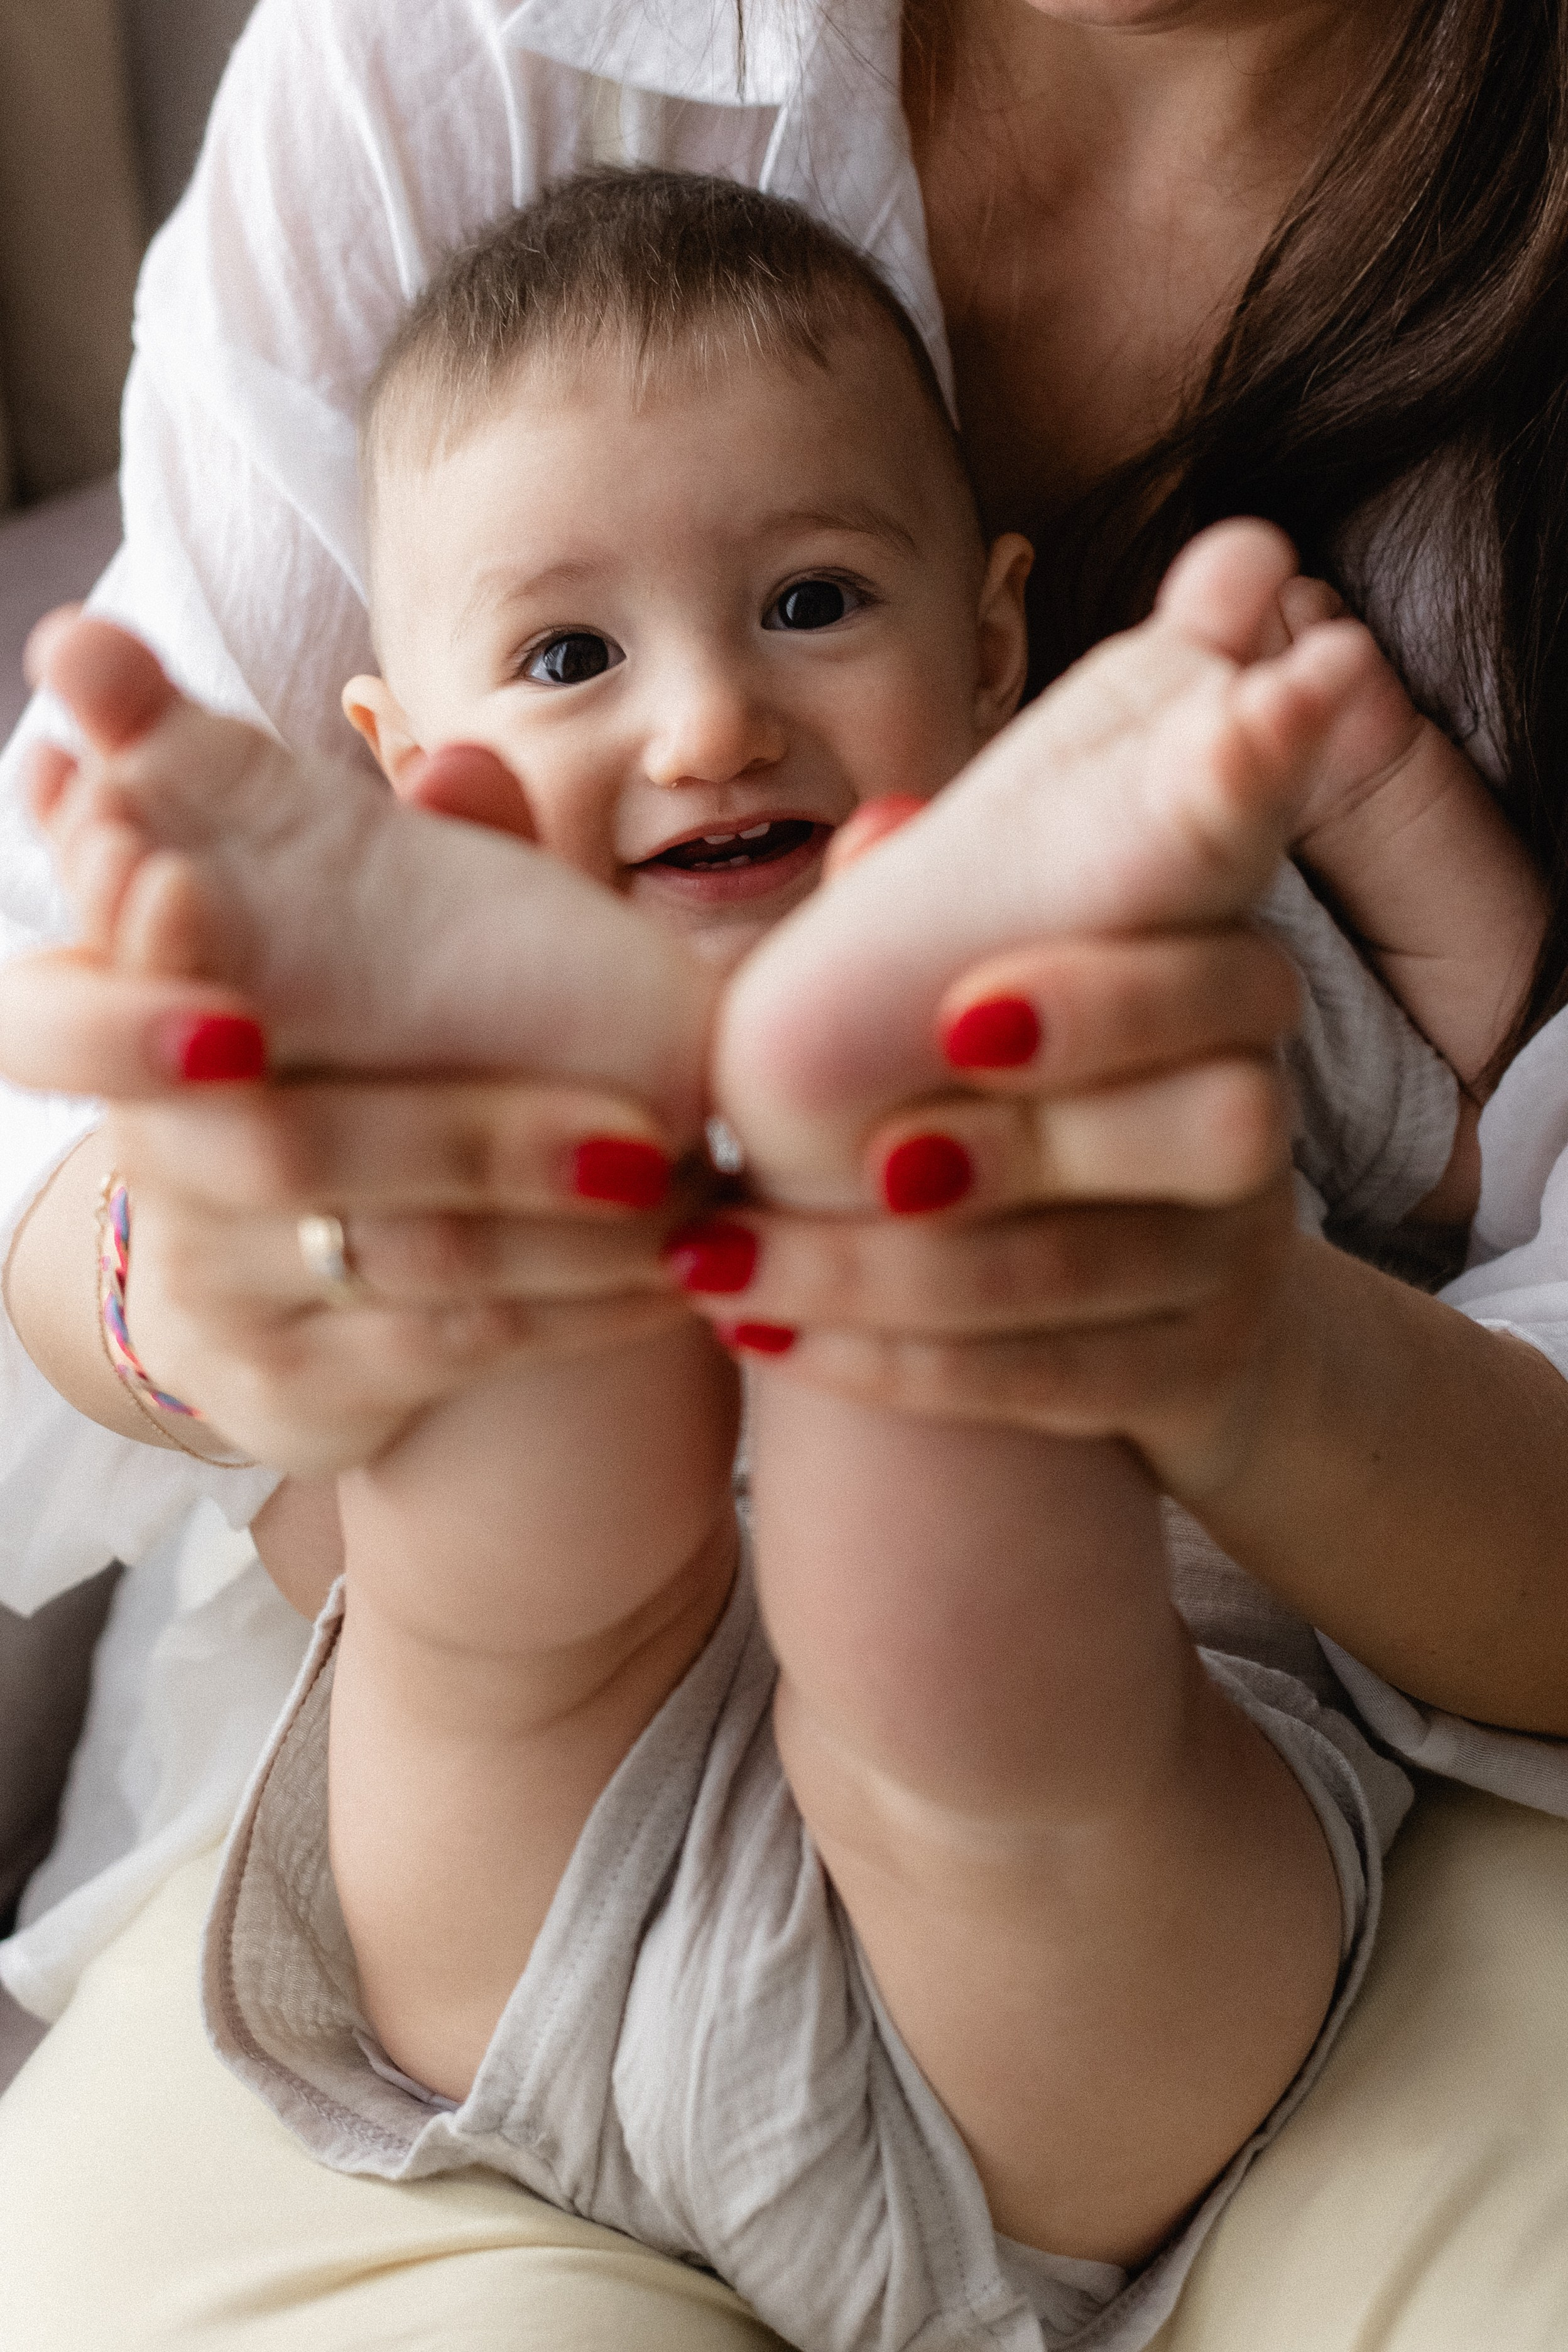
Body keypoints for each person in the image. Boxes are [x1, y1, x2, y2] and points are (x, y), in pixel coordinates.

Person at [1, 0, 1567, 2343]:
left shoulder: (1159, 949)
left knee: (965, 1639)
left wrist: (1330, 790)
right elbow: (60, 1170)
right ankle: (621, 1158)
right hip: (558, 1895)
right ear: (395, 744)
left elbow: (1479, 1124)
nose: (711, 717)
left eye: (815, 604)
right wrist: (223, 1249)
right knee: (511, 1508)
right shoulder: (457, 55)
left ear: (1003, 636)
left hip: (1014, 1926)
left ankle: (869, 1185)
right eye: (565, 655)